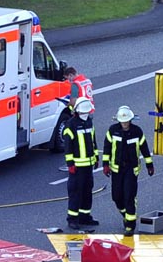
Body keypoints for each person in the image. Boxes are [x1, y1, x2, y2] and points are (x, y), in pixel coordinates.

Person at [102, 106, 155, 236]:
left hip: (131, 169)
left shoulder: (137, 132)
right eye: (122, 122)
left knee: (129, 196)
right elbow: (107, 148)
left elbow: (144, 149)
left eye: (126, 121)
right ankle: (126, 214)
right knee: (116, 196)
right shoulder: (112, 131)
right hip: (116, 169)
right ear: (119, 121)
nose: (124, 124)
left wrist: (150, 165)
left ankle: (130, 225)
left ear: (131, 120)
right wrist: (105, 165)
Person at [63, 97, 99, 230]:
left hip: (88, 164)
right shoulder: (71, 125)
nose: (86, 115)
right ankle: (72, 218)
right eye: (83, 113)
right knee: (75, 192)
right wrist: (70, 163)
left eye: (87, 113)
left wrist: (96, 156)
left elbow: (93, 140)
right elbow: (68, 146)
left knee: (87, 191)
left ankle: (85, 216)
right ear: (77, 111)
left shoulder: (89, 122)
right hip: (77, 167)